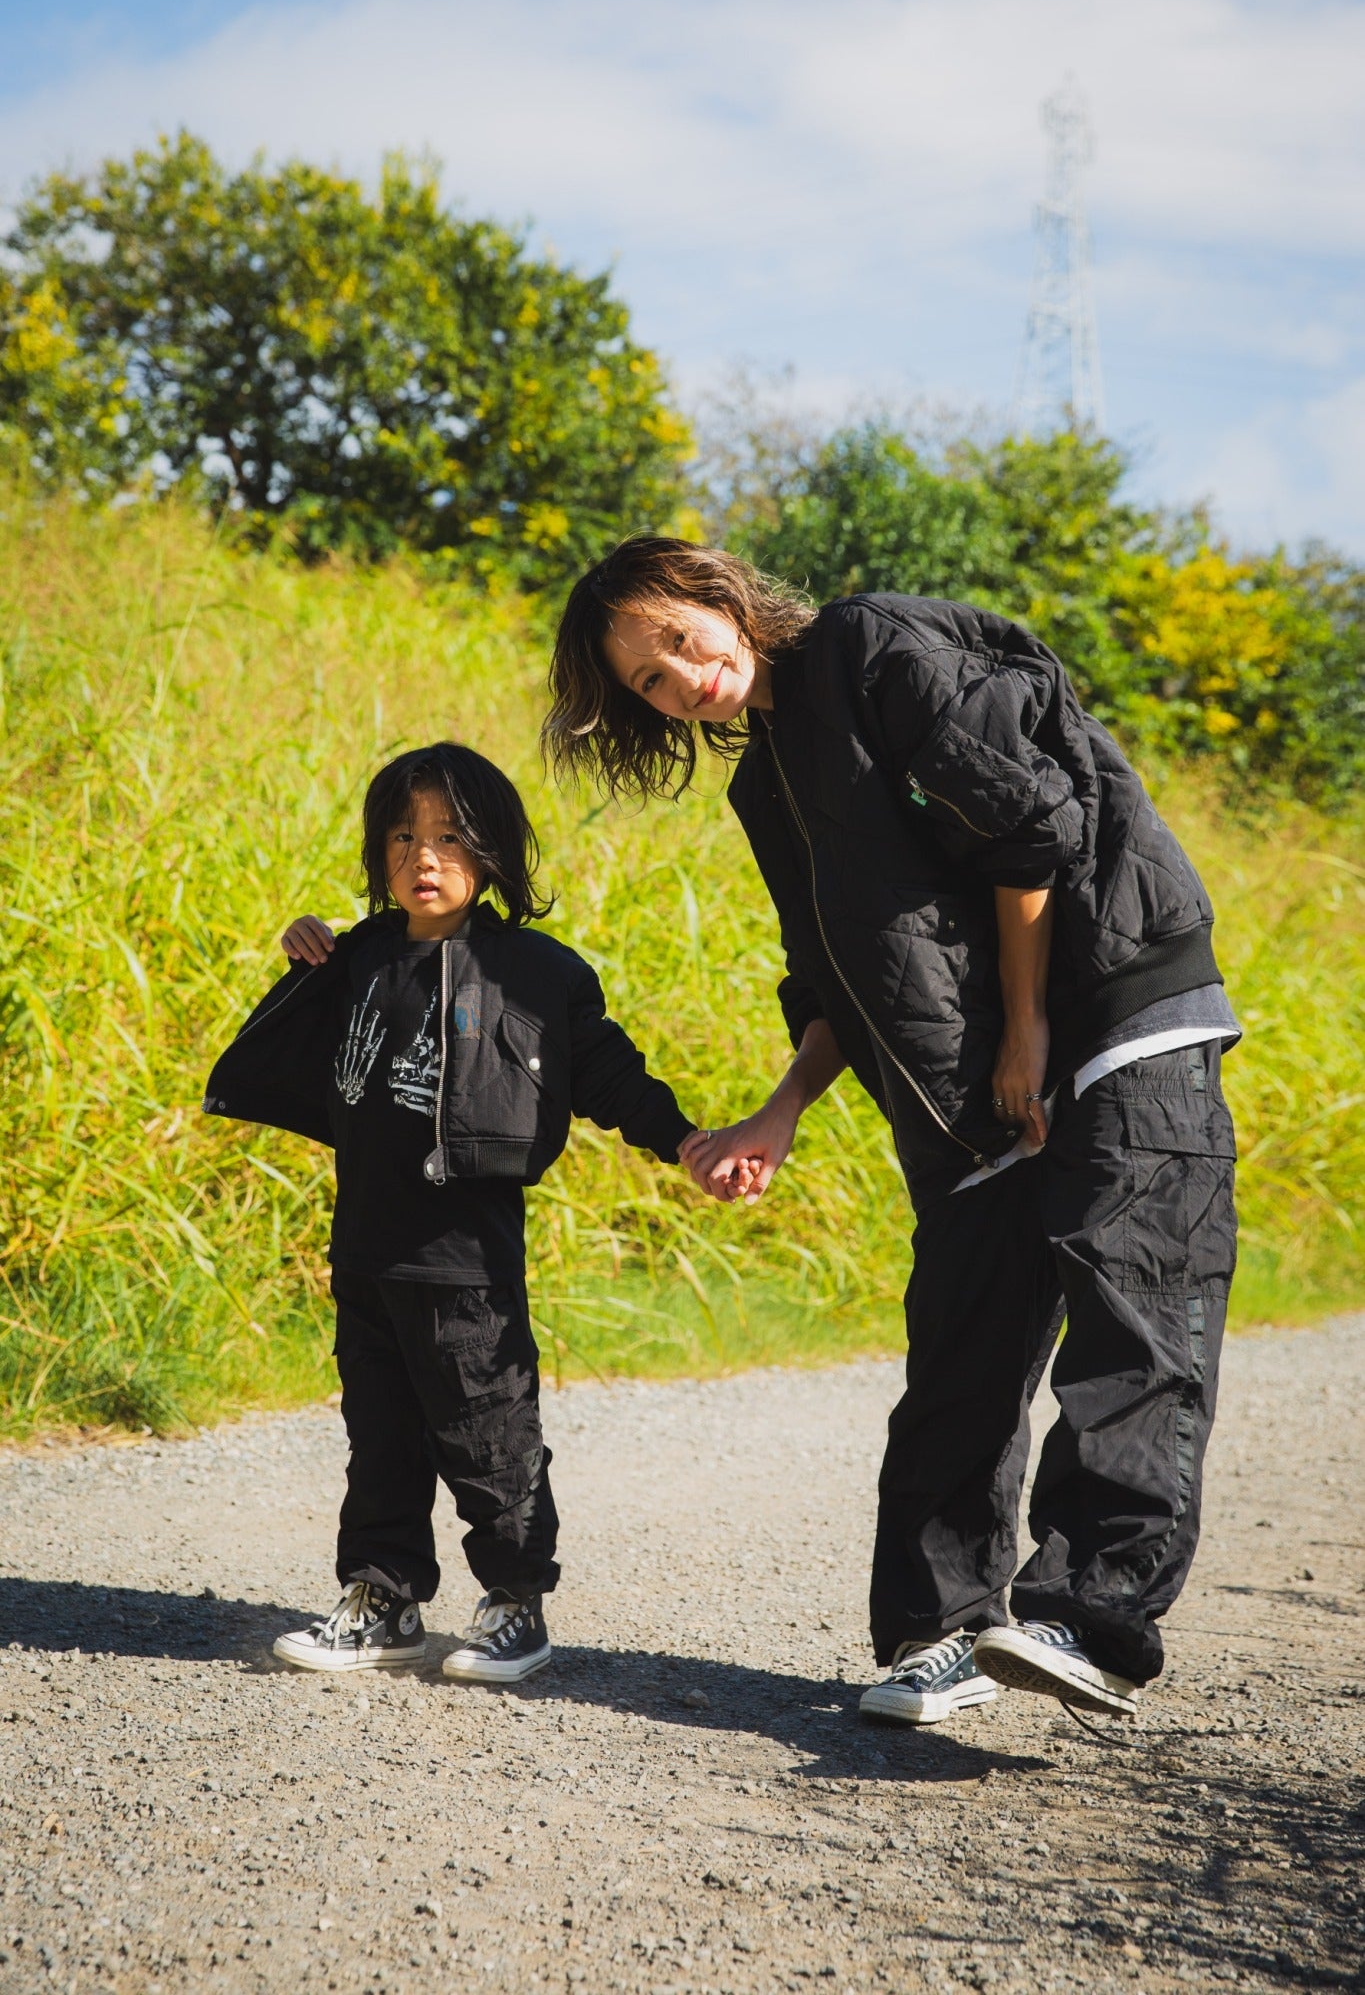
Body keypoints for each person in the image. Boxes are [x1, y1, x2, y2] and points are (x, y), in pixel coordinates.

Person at [545, 538, 1240, 1725]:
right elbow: (830, 981)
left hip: (1111, 1003)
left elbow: (1033, 828)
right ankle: (946, 1630)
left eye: (676, 637)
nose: (680, 675)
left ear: (721, 598)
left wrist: (1027, 1027)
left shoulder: (872, 646)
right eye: (648, 682)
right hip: (977, 1086)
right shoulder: (764, 782)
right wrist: (779, 1109)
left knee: (1133, 1302)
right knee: (963, 1339)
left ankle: (1090, 1610)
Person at [204, 742, 700, 1681]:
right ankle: (383, 1599)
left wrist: (683, 1140)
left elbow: (610, 1076)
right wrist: (307, 951)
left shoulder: (535, 973)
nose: (422, 857)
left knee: (489, 1436)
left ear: (493, 855)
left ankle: (516, 1604)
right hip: (367, 1252)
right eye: (402, 835)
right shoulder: (357, 959)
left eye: (447, 837)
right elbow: (295, 1048)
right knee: (379, 1437)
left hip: (466, 1263)